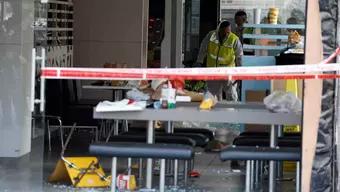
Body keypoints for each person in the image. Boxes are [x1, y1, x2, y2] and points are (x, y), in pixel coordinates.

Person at [196, 21, 243, 101]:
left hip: (228, 72)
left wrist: (239, 72)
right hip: (213, 71)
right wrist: (199, 61)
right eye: (224, 32)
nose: (226, 35)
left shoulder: (234, 39)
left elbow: (239, 57)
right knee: (212, 95)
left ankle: (232, 111)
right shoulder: (211, 35)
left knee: (231, 94)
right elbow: (203, 48)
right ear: (219, 30)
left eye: (228, 32)